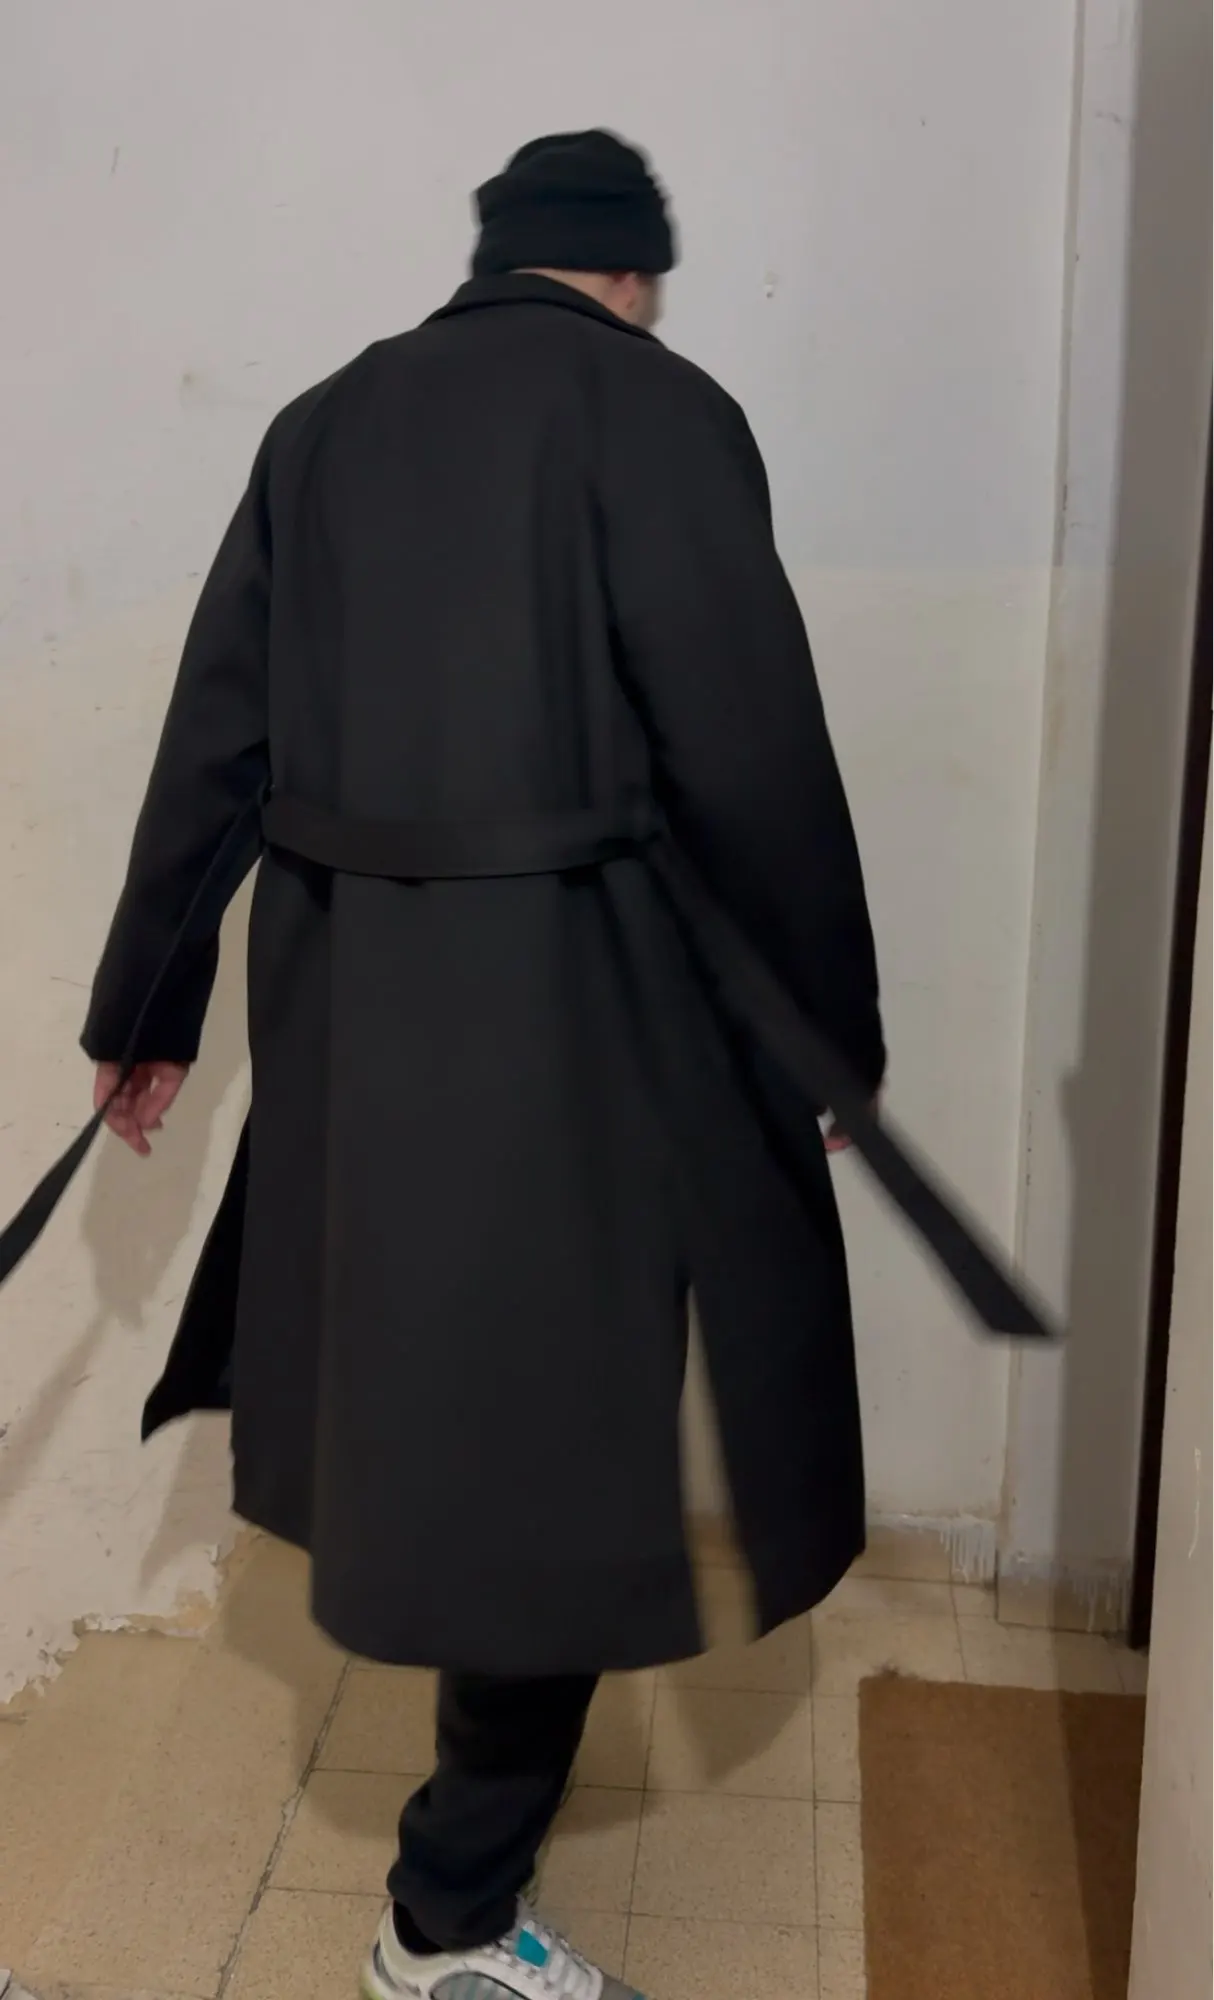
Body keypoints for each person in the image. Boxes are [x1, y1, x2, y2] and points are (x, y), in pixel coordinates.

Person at [83, 131, 885, 2000]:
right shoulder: (663, 413)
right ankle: (443, 1925)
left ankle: (453, 1874)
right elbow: (755, 752)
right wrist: (825, 1038)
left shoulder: (320, 427)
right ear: (629, 273)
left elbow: (218, 738)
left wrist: (150, 1011)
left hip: (358, 1014)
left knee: (443, 1410)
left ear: (495, 260)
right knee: (552, 1449)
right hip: (579, 1021)